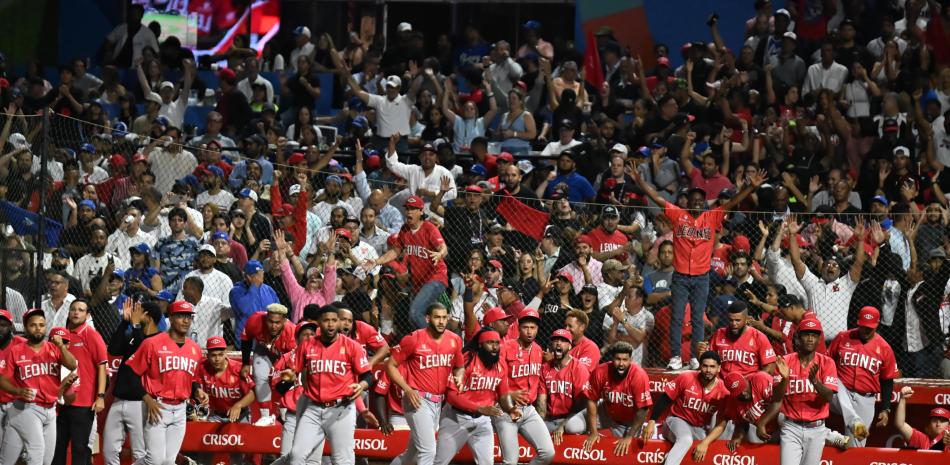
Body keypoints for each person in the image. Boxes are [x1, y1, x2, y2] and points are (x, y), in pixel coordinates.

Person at [633, 162, 766, 370]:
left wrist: (751, 188)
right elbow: (658, 198)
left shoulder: (711, 217)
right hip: (681, 277)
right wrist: (640, 181)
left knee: (697, 318)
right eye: (693, 200)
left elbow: (733, 202)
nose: (696, 202)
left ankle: (696, 356)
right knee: (676, 317)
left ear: (703, 202)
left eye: (699, 200)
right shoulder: (678, 216)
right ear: (688, 202)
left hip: (702, 277)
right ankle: (675, 357)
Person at [270, 305, 371, 465]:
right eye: (326, 321)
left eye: (334, 320)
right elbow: (291, 374)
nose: (330, 324)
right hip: (313, 409)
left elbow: (367, 375)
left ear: (338, 323)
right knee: (297, 455)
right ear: (319, 323)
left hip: (341, 410)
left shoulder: (352, 346)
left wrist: (363, 385)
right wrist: (288, 378)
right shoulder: (307, 345)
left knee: (342, 460)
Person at [125, 301, 202, 465]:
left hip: (181, 409)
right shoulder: (152, 343)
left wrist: (198, 390)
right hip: (157, 406)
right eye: (181, 316)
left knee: (168, 461)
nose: (186, 321)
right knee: (154, 461)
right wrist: (147, 399)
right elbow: (130, 374)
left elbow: (193, 378)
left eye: (189, 317)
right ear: (171, 318)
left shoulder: (195, 348)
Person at [386, 303, 464, 465]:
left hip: (438, 402)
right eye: (437, 317)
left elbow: (460, 367)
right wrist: (407, 389)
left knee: (412, 453)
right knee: (428, 451)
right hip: (416, 399)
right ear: (428, 318)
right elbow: (390, 365)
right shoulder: (414, 339)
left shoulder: (454, 340)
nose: (441, 321)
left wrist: (459, 377)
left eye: (444, 317)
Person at [0, 308, 78, 465]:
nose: (38, 329)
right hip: (26, 409)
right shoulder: (16, 351)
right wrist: (18, 390)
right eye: (33, 325)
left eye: (41, 325)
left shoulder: (53, 349)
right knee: (37, 454)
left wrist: (61, 347)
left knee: (10, 460)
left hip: (49, 411)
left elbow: (72, 365)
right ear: (26, 327)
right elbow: (2, 380)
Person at [757, 318, 840, 465]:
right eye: (806, 334)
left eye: (814, 335)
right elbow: (777, 399)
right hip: (791, 427)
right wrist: (784, 379)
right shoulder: (785, 361)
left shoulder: (827, 363)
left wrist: (815, 381)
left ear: (819, 338)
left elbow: (828, 397)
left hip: (816, 428)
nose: (810, 338)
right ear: (798, 337)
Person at [432, 329, 519, 465]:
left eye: (497, 343)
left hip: (482, 421)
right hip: (456, 418)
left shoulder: (501, 364)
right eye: (490, 343)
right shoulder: (467, 360)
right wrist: (479, 408)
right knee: (439, 462)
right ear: (480, 345)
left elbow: (503, 394)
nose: (495, 347)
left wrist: (511, 408)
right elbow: (451, 395)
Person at [368, 195, 449, 329]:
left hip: (435, 277)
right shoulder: (405, 229)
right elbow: (395, 251)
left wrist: (439, 254)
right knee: (416, 320)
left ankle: (430, 343)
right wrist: (377, 261)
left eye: (413, 209)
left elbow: (443, 248)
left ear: (421, 211)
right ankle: (432, 343)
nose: (409, 212)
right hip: (418, 282)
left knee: (415, 313)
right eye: (407, 209)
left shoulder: (429, 228)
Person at [826, 306, 898, 447]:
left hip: (865, 399)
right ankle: (853, 422)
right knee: (836, 383)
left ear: (877, 325)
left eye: (869, 328)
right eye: (863, 326)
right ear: (858, 322)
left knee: (856, 445)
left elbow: (887, 380)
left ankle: (839, 439)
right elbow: (826, 362)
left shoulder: (884, 348)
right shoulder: (842, 337)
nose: (865, 330)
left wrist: (885, 408)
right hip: (839, 392)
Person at [788, 217, 868, 341]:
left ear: (840, 272)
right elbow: (796, 261)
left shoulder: (846, 284)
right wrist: (792, 235)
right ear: (821, 269)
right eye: (828, 264)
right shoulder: (812, 283)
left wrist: (861, 239)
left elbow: (858, 263)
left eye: (835, 265)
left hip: (839, 342)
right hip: (814, 342)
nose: (831, 266)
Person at [101, 300, 161, 465]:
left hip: (140, 402)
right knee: (109, 451)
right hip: (118, 399)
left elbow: (143, 347)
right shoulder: (134, 334)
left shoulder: (158, 340)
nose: (134, 312)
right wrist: (124, 322)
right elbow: (113, 350)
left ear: (147, 317)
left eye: (138, 310)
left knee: (140, 453)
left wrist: (134, 325)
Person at [645, 351, 731, 465]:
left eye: (712, 367)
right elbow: (665, 399)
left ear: (719, 368)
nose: (708, 370)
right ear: (700, 366)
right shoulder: (686, 377)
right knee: (685, 439)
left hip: (699, 429)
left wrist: (705, 442)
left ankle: (668, 459)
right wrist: (652, 421)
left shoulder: (723, 391)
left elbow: (721, 424)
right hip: (675, 421)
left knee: (706, 445)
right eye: (705, 366)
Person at [493, 309, 554, 465]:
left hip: (528, 410)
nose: (529, 331)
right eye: (526, 327)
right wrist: (508, 394)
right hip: (506, 410)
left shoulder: (539, 351)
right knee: (511, 461)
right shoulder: (505, 348)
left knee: (547, 453)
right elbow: (494, 378)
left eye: (533, 328)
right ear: (519, 328)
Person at [52, 300, 108, 465]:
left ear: (87, 315)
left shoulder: (91, 334)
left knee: (80, 450)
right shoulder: (61, 335)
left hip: (83, 403)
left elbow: (102, 367)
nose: (76, 313)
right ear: (68, 313)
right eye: (73, 309)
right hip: (60, 403)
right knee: (57, 448)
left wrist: (100, 396)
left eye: (81, 310)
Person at [582, 341, 652, 456]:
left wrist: (629, 436)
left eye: (625, 360)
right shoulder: (600, 371)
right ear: (612, 358)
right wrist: (593, 432)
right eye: (618, 359)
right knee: (572, 425)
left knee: (623, 453)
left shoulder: (639, 375)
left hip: (629, 422)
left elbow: (643, 410)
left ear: (631, 359)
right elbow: (591, 400)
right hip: (606, 412)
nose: (621, 363)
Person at [239, 303, 296, 426]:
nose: (274, 326)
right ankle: (265, 416)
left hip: (285, 357)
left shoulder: (291, 332)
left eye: (278, 322)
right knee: (259, 376)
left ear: (284, 321)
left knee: (285, 382)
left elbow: (294, 360)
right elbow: (246, 339)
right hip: (263, 350)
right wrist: (245, 363)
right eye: (270, 321)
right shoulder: (255, 320)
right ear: (266, 318)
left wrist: (283, 375)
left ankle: (284, 412)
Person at [539, 329, 590, 442]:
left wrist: (563, 424)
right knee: (534, 429)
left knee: (571, 427)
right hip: (551, 419)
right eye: (555, 340)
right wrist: (540, 424)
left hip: (573, 417)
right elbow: (542, 402)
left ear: (570, 346)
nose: (558, 343)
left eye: (563, 341)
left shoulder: (578, 369)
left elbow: (581, 405)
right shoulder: (545, 368)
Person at [707, 300, 776, 377]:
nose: (734, 324)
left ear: (746, 319)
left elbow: (770, 367)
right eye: (731, 320)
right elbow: (709, 361)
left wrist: (755, 381)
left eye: (737, 320)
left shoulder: (758, 337)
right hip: (723, 383)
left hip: (748, 384)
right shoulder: (719, 334)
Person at [195, 336, 256, 422]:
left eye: (220, 354)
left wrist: (239, 405)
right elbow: (194, 381)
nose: (217, 359)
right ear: (207, 355)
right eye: (213, 355)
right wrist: (198, 390)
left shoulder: (238, 369)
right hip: (216, 415)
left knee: (244, 435)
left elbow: (252, 393)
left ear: (225, 353)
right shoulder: (202, 367)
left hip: (239, 414)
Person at [229, 260, 279, 347]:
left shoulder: (269, 290)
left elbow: (278, 311)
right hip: (246, 341)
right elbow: (246, 309)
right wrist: (254, 286)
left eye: (261, 273)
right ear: (248, 277)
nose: (261, 276)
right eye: (257, 274)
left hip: (267, 340)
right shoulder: (236, 291)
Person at [893, 386, 950, 450]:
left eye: (942, 421)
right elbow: (900, 424)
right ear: (928, 425)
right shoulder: (922, 440)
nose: (938, 424)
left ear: (948, 424)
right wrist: (902, 399)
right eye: (934, 420)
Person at [0, 309, 25, 450]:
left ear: (10, 327)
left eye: (3, 325)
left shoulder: (21, 344)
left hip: (17, 405)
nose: (0, 329)